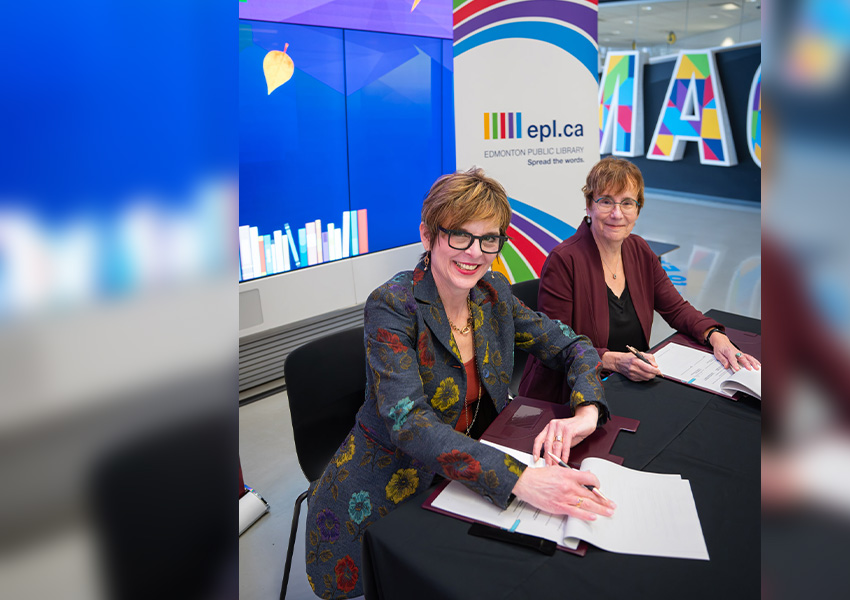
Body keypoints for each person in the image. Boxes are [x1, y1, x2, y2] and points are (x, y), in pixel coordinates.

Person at [304, 168, 616, 600]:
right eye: (460, 236)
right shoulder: (393, 306)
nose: (475, 252)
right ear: (428, 235)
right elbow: (409, 423)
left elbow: (573, 346)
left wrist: (586, 413)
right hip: (392, 485)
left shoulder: (492, 293)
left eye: (489, 239)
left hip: (466, 471)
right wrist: (520, 480)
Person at [519, 156, 760, 403]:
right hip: (571, 394)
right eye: (605, 201)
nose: (616, 213)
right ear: (589, 206)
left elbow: (676, 309)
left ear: (637, 209)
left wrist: (716, 336)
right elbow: (557, 346)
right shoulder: (564, 260)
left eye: (627, 203)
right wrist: (613, 361)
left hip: (629, 385)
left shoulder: (639, 250)